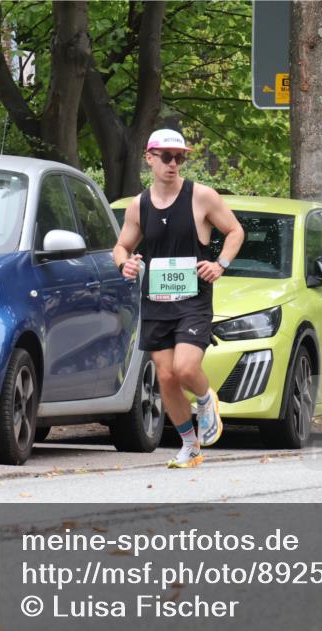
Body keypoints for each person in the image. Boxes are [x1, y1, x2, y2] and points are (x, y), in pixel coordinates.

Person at [113, 129, 244, 468]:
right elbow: (122, 245)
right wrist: (124, 264)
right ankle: (189, 445)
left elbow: (235, 231)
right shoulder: (138, 205)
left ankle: (205, 399)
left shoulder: (201, 197)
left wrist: (220, 265)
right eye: (166, 157)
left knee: (185, 368)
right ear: (149, 157)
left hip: (193, 299)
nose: (173, 164)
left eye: (180, 157)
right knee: (166, 376)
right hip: (156, 299)